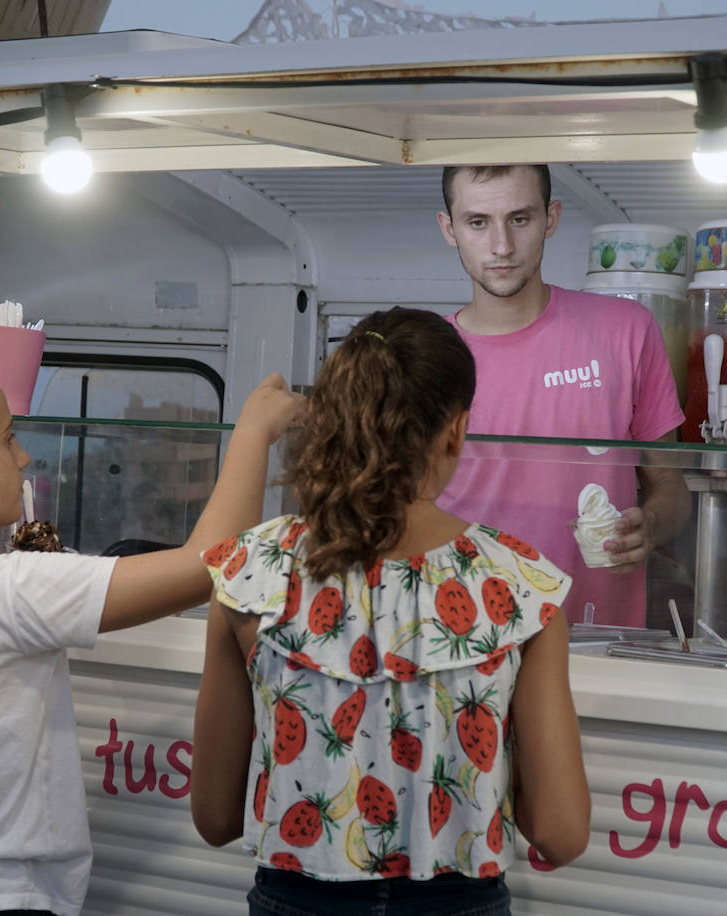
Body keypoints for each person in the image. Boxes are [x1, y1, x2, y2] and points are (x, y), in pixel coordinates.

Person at [0, 305, 300, 916]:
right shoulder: (5, 592)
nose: (22, 458)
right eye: (7, 437)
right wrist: (255, 431)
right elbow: (208, 562)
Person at [191, 307, 591, 916]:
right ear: (454, 431)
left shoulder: (251, 573)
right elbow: (560, 833)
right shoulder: (521, 586)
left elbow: (216, 818)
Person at [435, 163, 691, 628]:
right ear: (448, 228)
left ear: (551, 218)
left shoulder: (626, 330)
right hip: (465, 642)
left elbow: (670, 485)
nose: (501, 246)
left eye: (520, 219)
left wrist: (650, 527)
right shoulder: (426, 358)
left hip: (598, 641)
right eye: (478, 222)